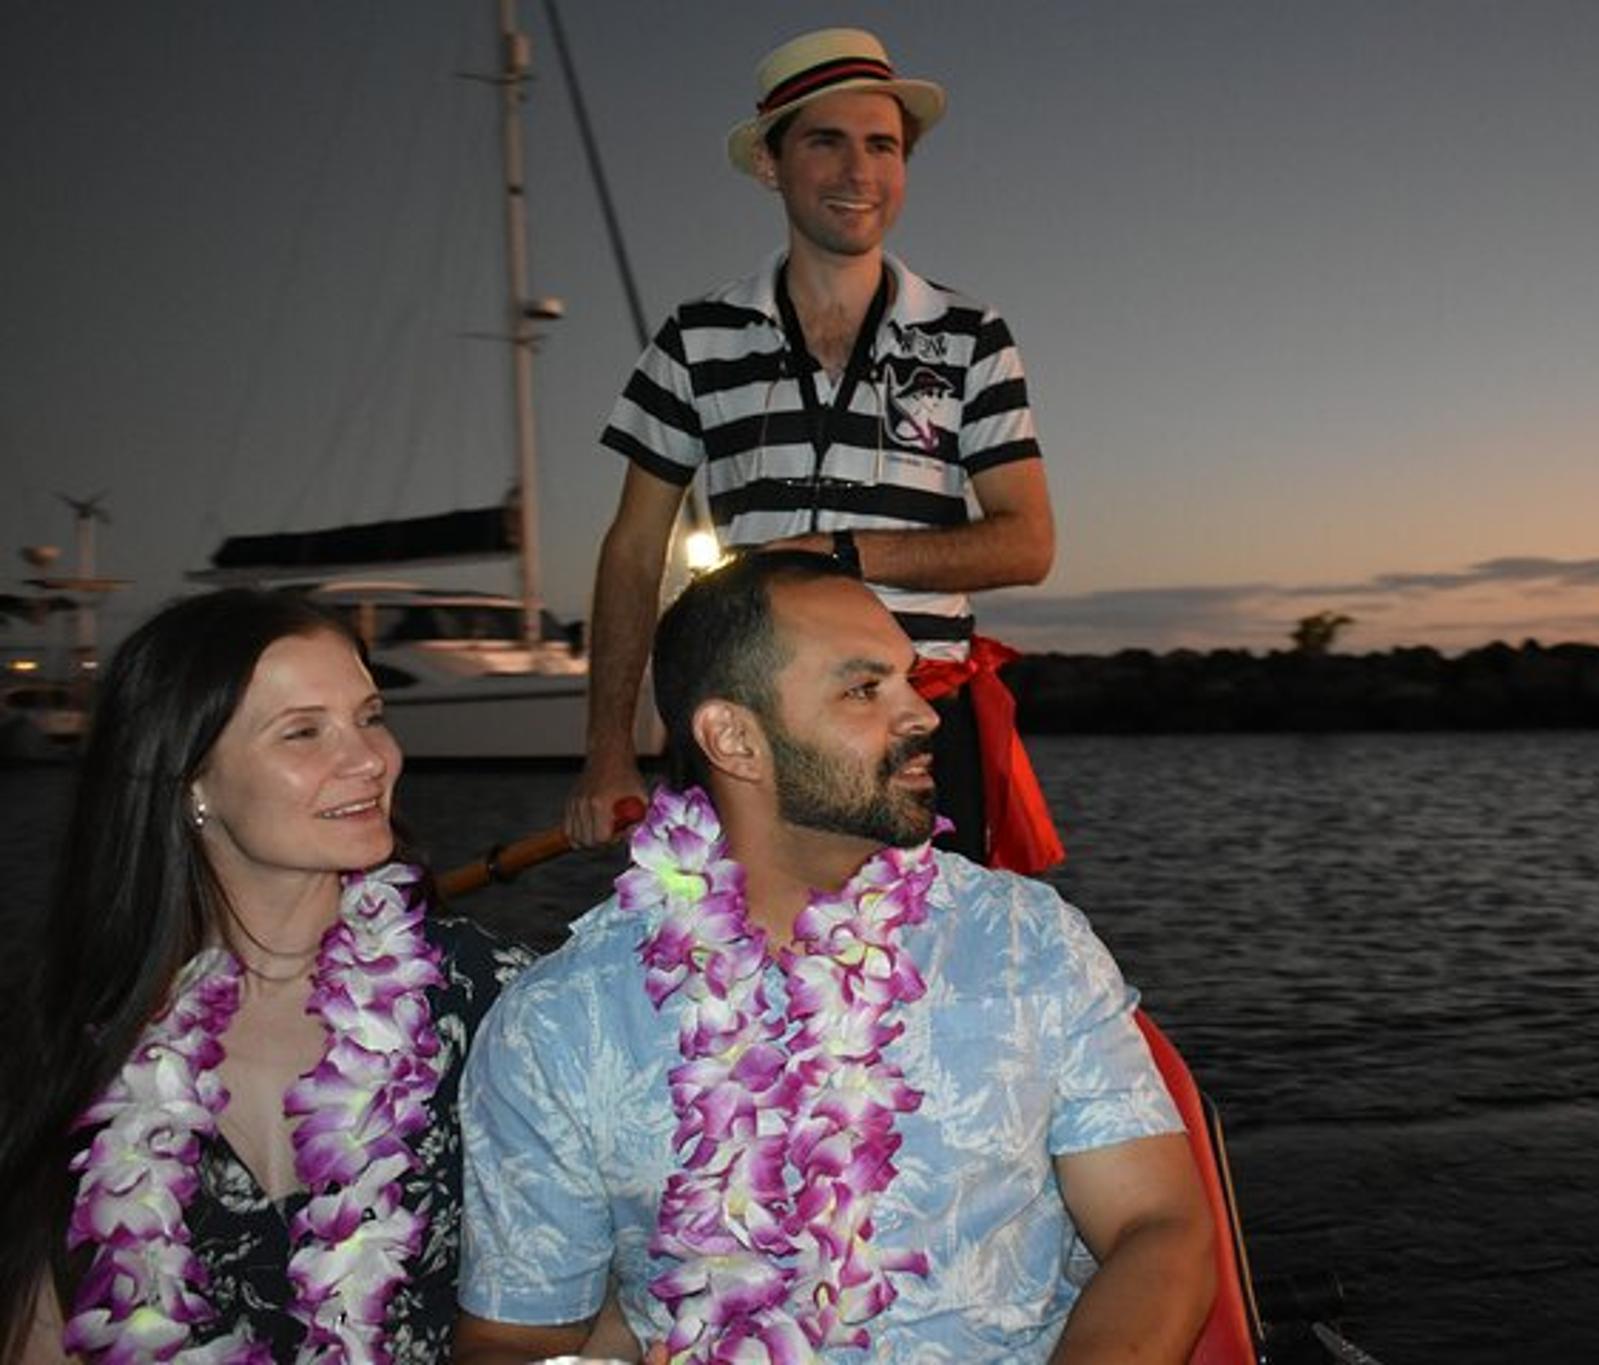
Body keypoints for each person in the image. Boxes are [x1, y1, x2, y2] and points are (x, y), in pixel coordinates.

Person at [457, 552, 1213, 1362]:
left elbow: (1159, 1228)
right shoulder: (562, 1019)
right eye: (865, 689)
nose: (923, 713)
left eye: (909, 679)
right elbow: (511, 1338)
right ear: (735, 738)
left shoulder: (1026, 939)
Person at [565, 27, 1058, 870]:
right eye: (826, 141)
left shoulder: (972, 335)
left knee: (930, 980)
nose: (858, 172)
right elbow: (634, 546)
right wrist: (610, 747)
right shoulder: (696, 337)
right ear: (770, 162)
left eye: (882, 145)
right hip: (747, 725)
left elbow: (1027, 543)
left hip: (918, 720)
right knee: (722, 967)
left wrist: (836, 553)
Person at [0, 590, 530, 1364]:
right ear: (191, 783)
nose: (371, 759)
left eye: (371, 715)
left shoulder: (489, 1001)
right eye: (304, 731)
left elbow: (614, 1283)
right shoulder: (74, 1035)